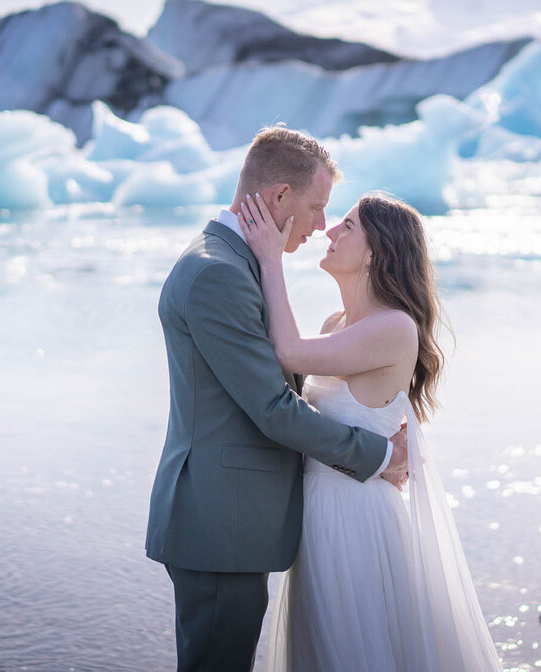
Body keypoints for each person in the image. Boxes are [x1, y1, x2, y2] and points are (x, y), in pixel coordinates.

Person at [145, 126, 410, 672]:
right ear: (279, 197)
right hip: (221, 521)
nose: (321, 225)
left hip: (231, 516)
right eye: (316, 207)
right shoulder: (218, 274)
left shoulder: (232, 264)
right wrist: (381, 456)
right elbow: (271, 409)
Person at [238, 190, 502, 672]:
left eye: (348, 226)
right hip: (316, 512)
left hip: (355, 519)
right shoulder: (335, 322)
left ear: (377, 252)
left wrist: (270, 258)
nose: (329, 232)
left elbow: (290, 354)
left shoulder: (395, 327)